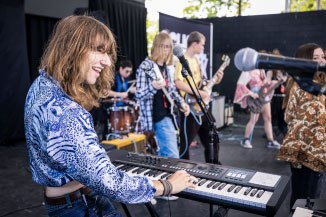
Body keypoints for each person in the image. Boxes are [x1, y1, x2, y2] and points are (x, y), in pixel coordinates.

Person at [24, 15, 197, 217]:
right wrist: (167, 185)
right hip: (78, 206)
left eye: (107, 53)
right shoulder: (66, 113)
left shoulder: (41, 83)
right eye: (99, 50)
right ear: (72, 47)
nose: (107, 61)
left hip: (71, 198)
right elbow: (112, 183)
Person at [277, 43, 326, 210]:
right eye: (315, 58)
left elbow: (288, 116)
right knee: (307, 197)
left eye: (322, 56)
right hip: (309, 151)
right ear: (305, 61)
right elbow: (289, 116)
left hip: (307, 150)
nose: (321, 60)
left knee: (303, 195)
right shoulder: (304, 86)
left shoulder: (313, 82)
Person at [135, 31, 190, 160]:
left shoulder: (166, 67)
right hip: (158, 116)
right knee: (172, 156)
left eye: (169, 46)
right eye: (164, 46)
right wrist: (152, 87)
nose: (168, 50)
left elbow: (171, 90)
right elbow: (139, 94)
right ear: (157, 47)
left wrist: (181, 102)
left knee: (166, 157)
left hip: (169, 114)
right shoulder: (146, 66)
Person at [174, 31, 224, 164]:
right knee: (186, 143)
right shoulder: (182, 60)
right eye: (202, 45)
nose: (203, 48)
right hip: (189, 107)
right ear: (194, 44)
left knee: (212, 134)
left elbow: (201, 83)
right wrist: (199, 93)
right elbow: (178, 83)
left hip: (201, 105)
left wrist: (216, 81)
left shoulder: (195, 60)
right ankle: (184, 170)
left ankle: (214, 165)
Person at [233, 50, 281, 149]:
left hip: (264, 96)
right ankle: (246, 139)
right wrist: (251, 93)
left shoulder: (261, 71)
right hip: (255, 98)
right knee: (254, 119)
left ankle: (270, 140)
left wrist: (273, 82)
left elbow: (264, 84)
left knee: (268, 118)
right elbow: (240, 84)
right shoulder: (247, 70)